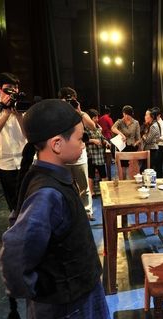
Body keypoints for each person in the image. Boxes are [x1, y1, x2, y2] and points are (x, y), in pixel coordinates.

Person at [0, 99, 119, 319]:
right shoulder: (47, 193)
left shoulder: (51, 179)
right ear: (56, 144)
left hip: (78, 290)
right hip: (66, 304)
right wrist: (40, 289)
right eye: (79, 138)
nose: (83, 142)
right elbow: (16, 253)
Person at [0, 72, 27, 211]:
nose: (13, 91)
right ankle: (16, 225)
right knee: (12, 199)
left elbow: (28, 135)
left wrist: (19, 115)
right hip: (5, 161)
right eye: (9, 87)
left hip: (25, 159)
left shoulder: (23, 107)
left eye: (16, 87)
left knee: (29, 196)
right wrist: (6, 113)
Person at [58, 86, 96, 221]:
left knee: (84, 186)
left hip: (80, 156)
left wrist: (79, 112)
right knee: (64, 186)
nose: (70, 102)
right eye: (67, 99)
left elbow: (93, 126)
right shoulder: (56, 113)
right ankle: (67, 212)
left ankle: (87, 211)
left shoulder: (81, 113)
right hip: (62, 156)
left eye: (72, 99)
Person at [84, 109, 110, 198]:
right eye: (94, 117)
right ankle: (91, 192)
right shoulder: (85, 128)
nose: (97, 119)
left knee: (103, 174)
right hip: (91, 154)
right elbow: (83, 140)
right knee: (90, 174)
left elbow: (102, 138)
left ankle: (105, 192)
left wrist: (106, 142)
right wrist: (93, 140)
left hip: (99, 155)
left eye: (97, 117)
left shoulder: (98, 127)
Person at [111, 105, 141, 175]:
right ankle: (122, 181)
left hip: (132, 147)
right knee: (122, 167)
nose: (126, 117)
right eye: (125, 114)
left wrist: (136, 143)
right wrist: (121, 134)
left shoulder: (136, 123)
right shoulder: (120, 121)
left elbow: (138, 138)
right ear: (123, 113)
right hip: (122, 147)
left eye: (128, 115)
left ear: (131, 114)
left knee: (131, 169)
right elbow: (113, 128)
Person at [140, 108, 160, 172]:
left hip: (152, 151)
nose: (145, 117)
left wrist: (143, 136)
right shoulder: (150, 125)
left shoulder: (154, 126)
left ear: (152, 117)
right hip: (149, 150)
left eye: (146, 115)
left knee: (146, 171)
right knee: (145, 170)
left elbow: (148, 140)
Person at [153, 107, 163, 178]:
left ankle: (159, 181)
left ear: (159, 115)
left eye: (154, 116)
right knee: (152, 167)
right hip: (152, 147)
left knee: (158, 167)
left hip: (159, 147)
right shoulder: (153, 123)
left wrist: (152, 139)